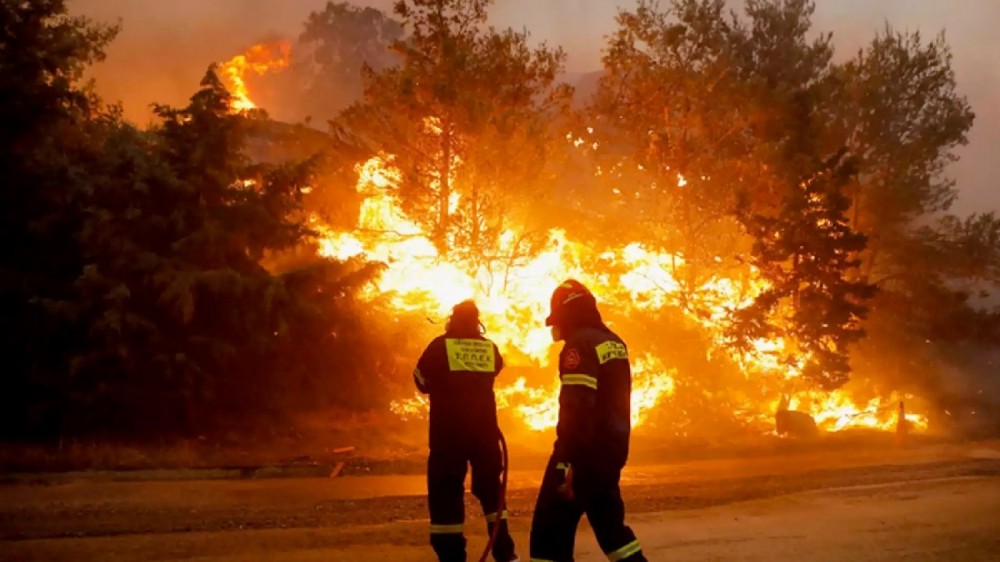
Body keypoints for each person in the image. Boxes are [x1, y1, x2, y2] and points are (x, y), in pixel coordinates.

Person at [529, 280, 646, 562]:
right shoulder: (614, 342)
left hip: (582, 454)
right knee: (612, 531)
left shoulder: (578, 345)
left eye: (558, 319)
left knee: (548, 533)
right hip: (611, 451)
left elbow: (577, 408)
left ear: (568, 314)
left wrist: (566, 462)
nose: (556, 329)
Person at [414, 300, 519, 562]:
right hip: (484, 432)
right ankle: (504, 551)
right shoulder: (488, 347)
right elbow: (496, 369)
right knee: (491, 491)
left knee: (446, 490)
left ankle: (451, 555)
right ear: (477, 321)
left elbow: (421, 381)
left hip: (448, 433)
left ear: (452, 320)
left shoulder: (439, 346)